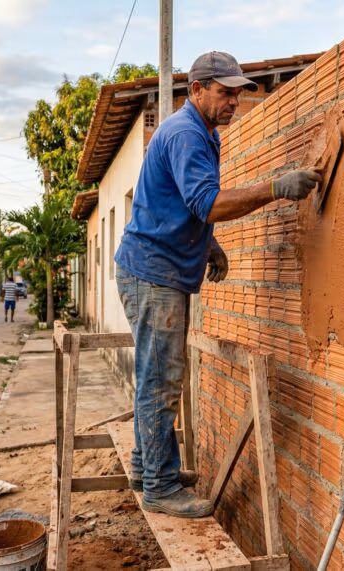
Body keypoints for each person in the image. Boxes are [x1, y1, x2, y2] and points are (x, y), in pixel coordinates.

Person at [114, 51, 322, 518]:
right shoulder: (187, 134)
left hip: (156, 269)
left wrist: (209, 246)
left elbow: (178, 205)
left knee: (156, 372)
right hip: (153, 274)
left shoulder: (202, 133)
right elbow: (206, 203)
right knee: (161, 378)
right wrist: (275, 187)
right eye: (225, 92)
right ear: (197, 90)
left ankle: (148, 467)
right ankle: (161, 487)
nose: (234, 101)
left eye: (238, 93)